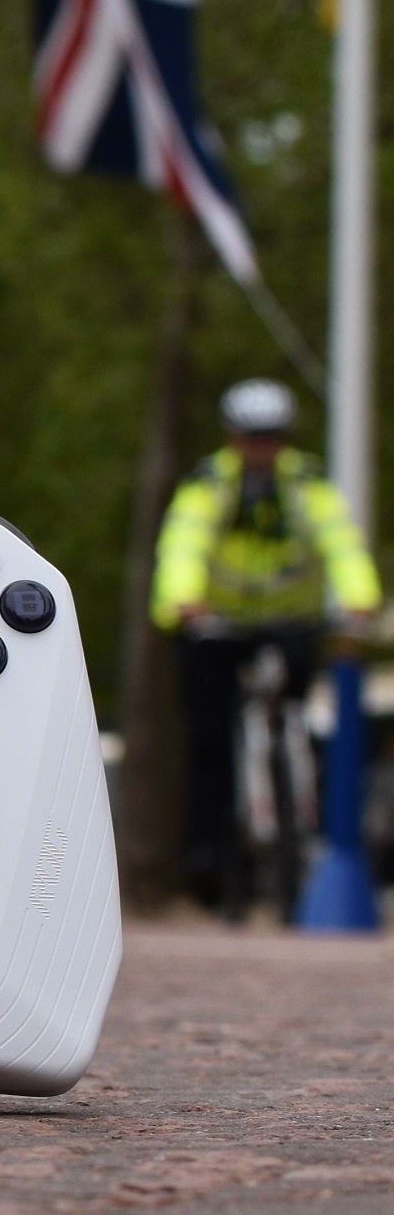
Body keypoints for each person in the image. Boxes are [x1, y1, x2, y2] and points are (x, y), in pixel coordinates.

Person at [152, 378, 382, 917]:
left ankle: (305, 812)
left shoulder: (306, 484)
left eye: (272, 437)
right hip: (218, 622)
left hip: (291, 621)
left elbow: (342, 542)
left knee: (305, 714)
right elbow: (184, 542)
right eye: (253, 437)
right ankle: (206, 854)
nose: (263, 447)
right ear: (233, 438)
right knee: (210, 737)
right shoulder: (210, 485)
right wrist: (183, 600)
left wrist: (360, 598)